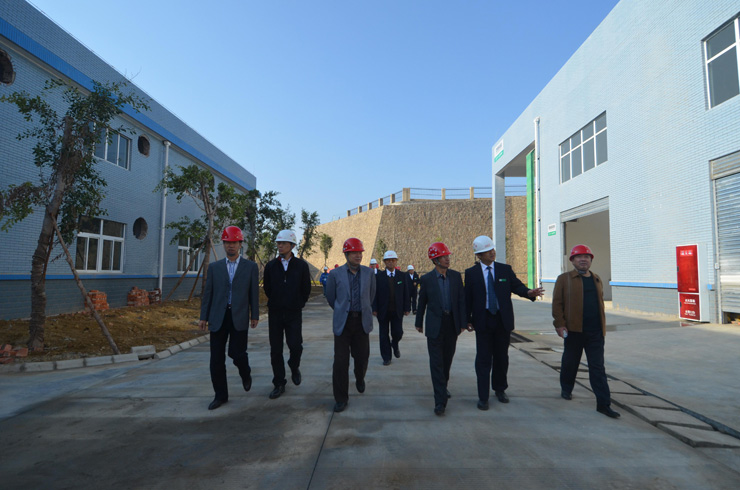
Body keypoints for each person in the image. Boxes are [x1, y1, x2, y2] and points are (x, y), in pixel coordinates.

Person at [465, 235, 544, 410]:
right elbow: (467, 298)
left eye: (492, 249)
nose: (492, 253)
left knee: (501, 357)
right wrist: (467, 320)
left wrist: (529, 293)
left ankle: (500, 389)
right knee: (483, 359)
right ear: (479, 255)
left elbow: (517, 286)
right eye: (487, 251)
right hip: (483, 321)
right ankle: (483, 396)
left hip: (502, 321)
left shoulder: (504, 270)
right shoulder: (471, 273)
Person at [553, 244, 620, 419]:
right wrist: (559, 324)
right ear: (572, 260)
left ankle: (603, 404)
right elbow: (557, 304)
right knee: (570, 363)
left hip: (595, 332)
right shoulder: (564, 279)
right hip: (574, 330)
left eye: (587, 257)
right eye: (579, 257)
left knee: (597, 367)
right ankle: (566, 388)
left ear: (591, 260)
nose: (583, 260)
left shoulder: (596, 279)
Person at [199, 226, 259, 410]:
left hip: (239, 316)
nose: (230, 246)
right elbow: (208, 294)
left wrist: (255, 314)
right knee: (216, 359)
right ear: (223, 244)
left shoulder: (250, 267)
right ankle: (220, 395)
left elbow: (254, 293)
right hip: (218, 317)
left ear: (240, 244)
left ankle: (245, 372)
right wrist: (203, 317)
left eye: (234, 242)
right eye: (227, 242)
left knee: (236, 353)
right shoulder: (214, 268)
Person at [415, 242, 468, 416]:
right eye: (443, 257)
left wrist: (463, 322)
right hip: (434, 326)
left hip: (451, 324)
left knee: (447, 360)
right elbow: (422, 302)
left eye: (447, 256)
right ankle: (440, 401)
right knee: (436, 362)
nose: (447, 259)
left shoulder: (455, 277)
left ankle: (443, 385)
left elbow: (461, 300)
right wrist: (418, 322)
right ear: (435, 260)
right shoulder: (427, 279)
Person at [325, 238, 376, 413]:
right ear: (346, 254)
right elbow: (331, 297)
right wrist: (341, 309)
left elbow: (371, 295)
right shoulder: (335, 274)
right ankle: (341, 398)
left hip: (361, 322)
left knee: (362, 357)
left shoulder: (369, 273)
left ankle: (359, 377)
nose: (358, 255)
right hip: (343, 322)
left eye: (360, 252)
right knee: (340, 361)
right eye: (354, 253)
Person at [262, 229, 312, 400]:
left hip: (293, 313)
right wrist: (277, 300)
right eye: (278, 243)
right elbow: (267, 288)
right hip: (275, 313)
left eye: (283, 243)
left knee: (296, 345)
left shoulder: (301, 266)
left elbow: (306, 288)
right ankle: (279, 383)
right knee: (275, 350)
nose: (280, 246)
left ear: (292, 245)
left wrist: (298, 303)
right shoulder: (271, 266)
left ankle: (294, 365)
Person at [372, 250, 411, 366]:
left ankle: (395, 343)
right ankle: (386, 357)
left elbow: (406, 293)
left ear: (396, 261)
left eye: (393, 260)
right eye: (388, 260)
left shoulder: (402, 276)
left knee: (398, 332)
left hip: (397, 310)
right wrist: (374, 308)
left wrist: (407, 307)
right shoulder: (379, 277)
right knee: (383, 335)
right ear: (384, 262)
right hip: (383, 310)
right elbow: (374, 294)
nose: (391, 262)